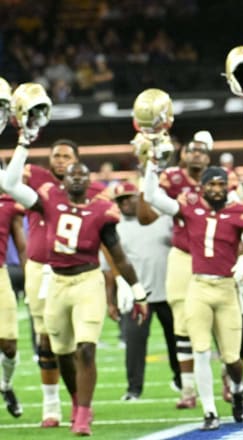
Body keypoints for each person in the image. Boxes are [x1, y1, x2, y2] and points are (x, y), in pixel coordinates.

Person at [2, 155, 148, 435]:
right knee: (63, 353)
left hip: (87, 281)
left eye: (82, 174)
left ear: (89, 180)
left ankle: (82, 412)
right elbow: (9, 183)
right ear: (64, 181)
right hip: (56, 283)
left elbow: (119, 256)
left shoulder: (102, 211)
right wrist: (22, 144)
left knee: (86, 348)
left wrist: (138, 292)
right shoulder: (48, 201)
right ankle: (76, 400)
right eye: (72, 175)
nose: (77, 178)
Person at [144, 163, 243, 430]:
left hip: (226, 289)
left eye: (221, 184)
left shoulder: (240, 212)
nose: (217, 189)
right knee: (200, 350)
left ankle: (238, 388)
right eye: (212, 185)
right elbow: (152, 198)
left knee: (232, 358)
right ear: (203, 187)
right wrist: (151, 166)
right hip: (197, 287)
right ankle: (209, 411)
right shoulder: (190, 208)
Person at [14, 139, 105, 428]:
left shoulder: (92, 191)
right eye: (56, 155)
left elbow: (109, 238)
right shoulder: (36, 179)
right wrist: (22, 139)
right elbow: (10, 181)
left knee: (81, 343)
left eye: (67, 156)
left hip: (79, 274)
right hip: (40, 268)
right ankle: (51, 405)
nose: (61, 160)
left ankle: (80, 405)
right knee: (46, 340)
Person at [136, 130, 211, 410]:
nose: (196, 154)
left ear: (209, 156)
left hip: (217, 258)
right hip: (182, 255)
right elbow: (145, 216)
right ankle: (188, 388)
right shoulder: (172, 180)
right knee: (181, 324)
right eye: (191, 150)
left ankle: (231, 380)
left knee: (227, 321)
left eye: (202, 151)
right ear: (182, 154)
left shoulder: (221, 179)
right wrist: (149, 169)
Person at [109, 181, 180, 401]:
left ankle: (182, 380)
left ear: (140, 197)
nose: (126, 203)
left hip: (169, 291)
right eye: (121, 200)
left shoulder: (163, 219)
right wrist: (110, 300)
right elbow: (108, 266)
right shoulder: (114, 227)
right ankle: (133, 389)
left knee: (177, 340)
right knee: (134, 345)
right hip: (136, 296)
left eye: (129, 197)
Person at [0, 186, 27, 418]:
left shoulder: (9, 204)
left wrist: (32, 280)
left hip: (1, 275)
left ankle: (6, 385)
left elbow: (23, 247)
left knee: (9, 345)